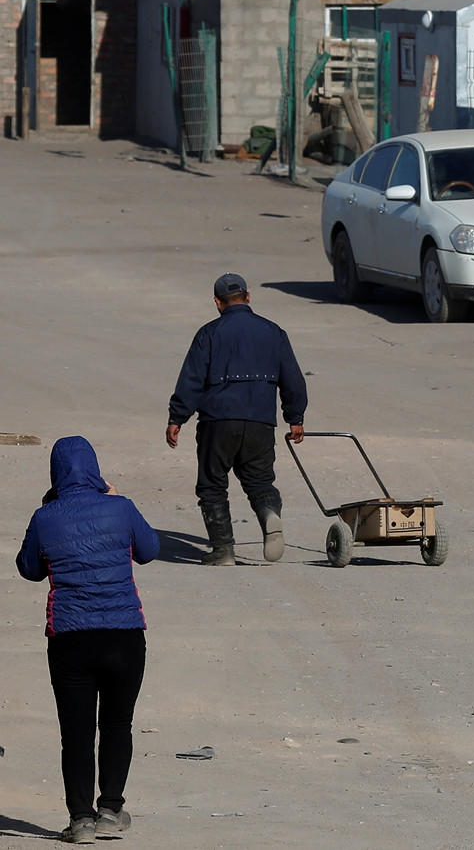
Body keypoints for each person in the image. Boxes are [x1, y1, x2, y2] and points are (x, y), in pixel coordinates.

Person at [15, 436, 161, 844]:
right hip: (124, 635)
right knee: (117, 723)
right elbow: (150, 550)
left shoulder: (45, 516)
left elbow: (29, 569)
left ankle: (80, 820)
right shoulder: (121, 507)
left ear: (55, 473)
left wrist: (50, 515)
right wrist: (116, 498)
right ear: (95, 469)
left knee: (76, 731)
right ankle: (111, 811)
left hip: (70, 639)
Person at [166, 273, 307, 566]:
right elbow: (293, 379)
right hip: (260, 422)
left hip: (218, 421)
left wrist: (177, 416)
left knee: (212, 485)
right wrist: (295, 417)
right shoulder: (273, 332)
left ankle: (223, 550)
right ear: (248, 296)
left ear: (218, 302)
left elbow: (192, 379)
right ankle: (269, 514)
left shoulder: (208, 333)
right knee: (260, 480)